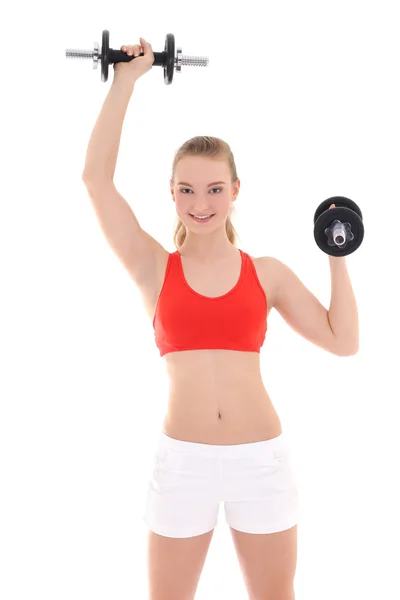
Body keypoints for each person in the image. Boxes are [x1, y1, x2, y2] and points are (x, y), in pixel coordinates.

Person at [82, 38, 359, 600]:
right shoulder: (153, 266)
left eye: (213, 189)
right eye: (186, 190)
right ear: (172, 193)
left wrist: (337, 254)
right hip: (182, 464)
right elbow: (96, 180)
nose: (200, 202)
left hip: (261, 462)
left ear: (235, 191)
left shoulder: (269, 273)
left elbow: (344, 340)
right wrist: (125, 83)